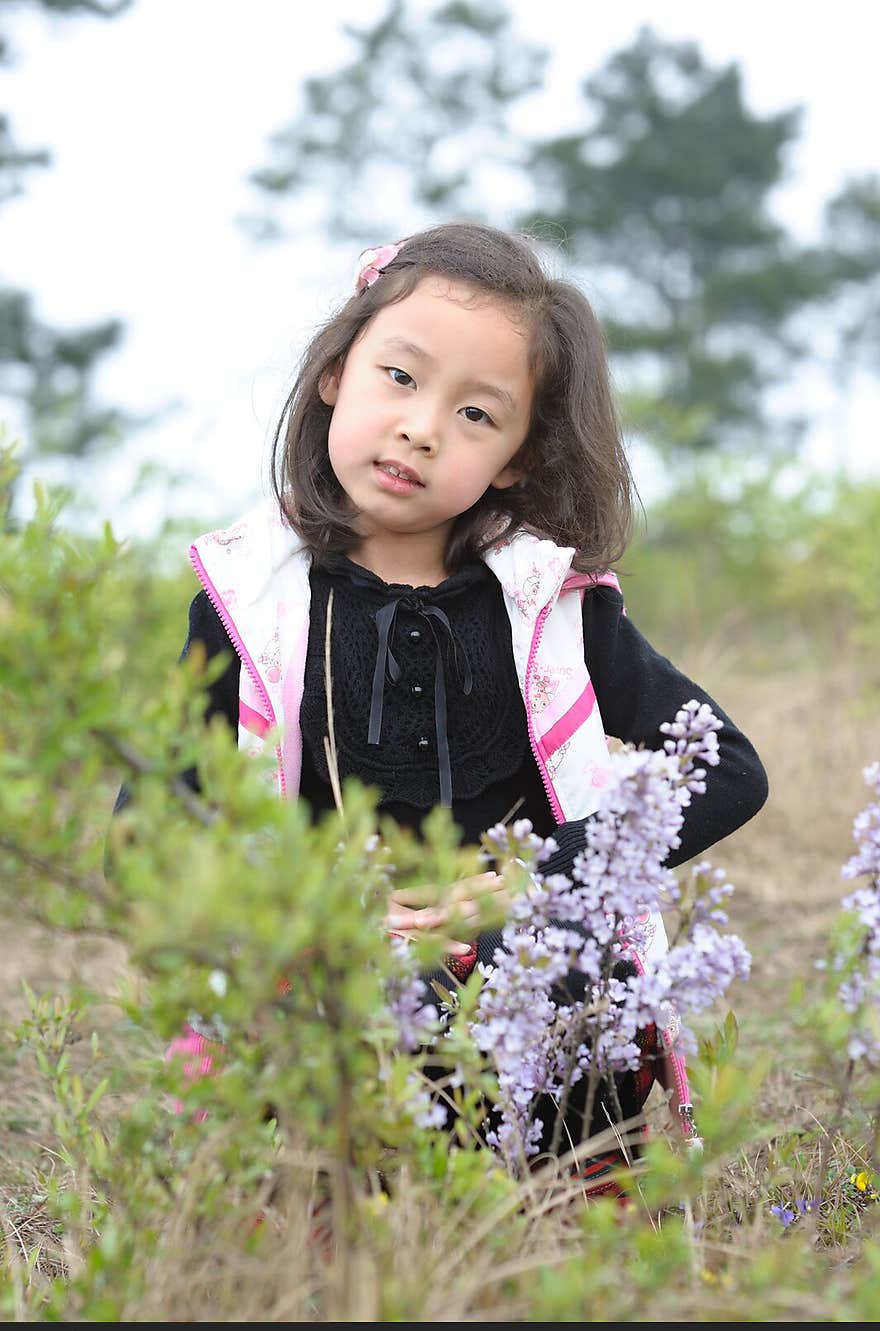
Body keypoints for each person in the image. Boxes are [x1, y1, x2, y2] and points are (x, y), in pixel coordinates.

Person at [119, 222, 768, 1180]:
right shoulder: (251, 603)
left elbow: (728, 769)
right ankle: (329, 1214)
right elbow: (153, 818)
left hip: (528, 986)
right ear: (337, 371)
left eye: (477, 415)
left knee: (565, 963)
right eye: (401, 377)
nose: (424, 426)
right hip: (338, 975)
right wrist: (294, 899)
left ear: (513, 457)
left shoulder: (551, 610)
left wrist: (545, 876)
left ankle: (562, 1220)